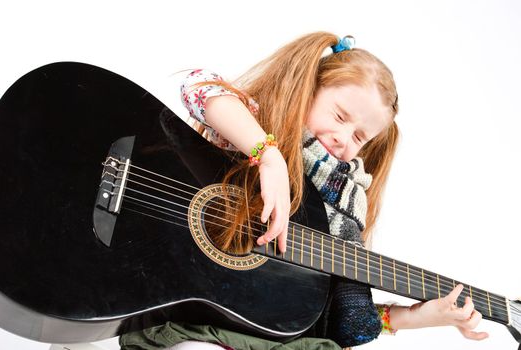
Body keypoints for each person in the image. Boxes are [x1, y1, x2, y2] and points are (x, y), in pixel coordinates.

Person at [120, 32, 488, 350]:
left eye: (360, 137)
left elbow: (332, 320)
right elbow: (199, 86)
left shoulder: (342, 212)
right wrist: (268, 156)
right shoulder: (255, 130)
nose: (344, 138)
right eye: (340, 116)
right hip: (192, 327)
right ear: (308, 90)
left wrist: (417, 316)